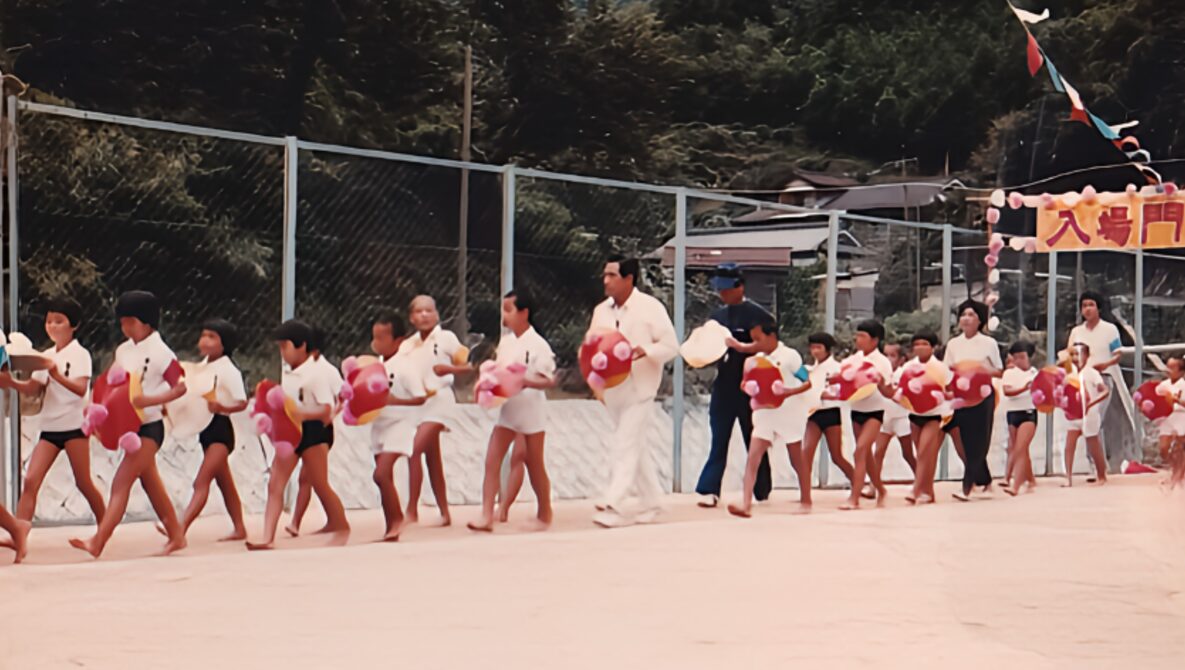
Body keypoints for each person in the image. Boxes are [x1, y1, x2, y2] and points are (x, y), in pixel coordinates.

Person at [69, 291, 188, 558]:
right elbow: (111, 384)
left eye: (130, 322)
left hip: (150, 427)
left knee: (120, 482)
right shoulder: (123, 350)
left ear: (146, 322)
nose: (125, 328)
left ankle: (98, 541)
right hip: (128, 427)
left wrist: (149, 400)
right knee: (151, 483)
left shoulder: (161, 352)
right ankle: (177, 536)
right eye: (122, 322)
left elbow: (180, 387)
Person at [0, 298, 105, 527]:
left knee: (83, 482)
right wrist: (11, 382)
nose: (52, 326)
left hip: (74, 428)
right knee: (30, 481)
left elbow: (79, 389)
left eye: (59, 321)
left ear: (73, 326)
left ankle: (105, 524)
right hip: (49, 429)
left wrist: (55, 374)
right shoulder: (45, 356)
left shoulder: (80, 355)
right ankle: (21, 535)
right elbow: (35, 388)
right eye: (49, 321)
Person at [589, 256, 678, 528]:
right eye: (605, 275)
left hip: (641, 387)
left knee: (625, 444)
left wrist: (646, 351)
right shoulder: (601, 311)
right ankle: (653, 503)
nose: (606, 281)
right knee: (635, 445)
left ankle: (614, 503)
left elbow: (671, 346)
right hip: (614, 389)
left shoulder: (650, 308)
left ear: (629, 279)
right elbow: (592, 346)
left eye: (612, 276)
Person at [247, 319, 349, 550]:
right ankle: (267, 537)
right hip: (291, 431)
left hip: (314, 432)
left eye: (285, 346)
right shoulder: (290, 373)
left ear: (301, 346)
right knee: (275, 483)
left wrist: (299, 414)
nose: (282, 352)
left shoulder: (318, 373)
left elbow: (325, 409)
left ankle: (342, 526)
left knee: (320, 484)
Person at [468, 291, 557, 532]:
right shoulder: (506, 342)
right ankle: (487, 513)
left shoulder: (539, 344)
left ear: (524, 313)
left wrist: (524, 381)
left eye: (509, 310)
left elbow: (549, 380)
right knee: (492, 459)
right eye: (503, 310)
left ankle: (544, 512)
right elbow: (499, 371)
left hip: (531, 409)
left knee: (534, 462)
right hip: (509, 409)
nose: (504, 315)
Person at [694, 263, 774, 508]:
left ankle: (761, 489)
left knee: (754, 437)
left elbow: (768, 345)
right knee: (719, 437)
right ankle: (709, 489)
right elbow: (708, 345)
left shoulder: (758, 315)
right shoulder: (717, 317)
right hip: (724, 385)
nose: (723, 294)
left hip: (752, 387)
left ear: (740, 286)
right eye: (719, 289)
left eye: (727, 288)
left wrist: (742, 347)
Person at [171, 319, 249, 541]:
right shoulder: (203, 365)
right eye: (203, 335)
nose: (204, 340)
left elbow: (241, 402)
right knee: (226, 484)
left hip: (220, 431)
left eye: (212, 337)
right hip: (205, 431)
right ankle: (239, 528)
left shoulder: (228, 369)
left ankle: (180, 528)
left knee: (201, 482)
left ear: (224, 344)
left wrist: (222, 407)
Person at [725, 320, 812, 518]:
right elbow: (745, 382)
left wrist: (789, 392)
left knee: (796, 458)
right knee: (753, 457)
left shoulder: (790, 356)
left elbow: (807, 382)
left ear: (771, 336)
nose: (755, 343)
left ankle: (806, 499)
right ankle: (746, 503)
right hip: (763, 413)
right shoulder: (754, 360)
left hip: (789, 413)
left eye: (758, 338)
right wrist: (749, 388)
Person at [402, 295, 472, 527]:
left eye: (429, 310)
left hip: (440, 401)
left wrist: (449, 368)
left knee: (413, 451)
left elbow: (468, 365)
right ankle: (444, 512)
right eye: (419, 311)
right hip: (417, 404)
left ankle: (411, 510)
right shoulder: (407, 345)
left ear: (437, 314)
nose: (424, 315)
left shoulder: (446, 338)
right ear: (412, 317)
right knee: (433, 458)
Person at [366, 312, 427, 542]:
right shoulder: (377, 365)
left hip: (400, 424)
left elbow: (420, 397)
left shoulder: (405, 367)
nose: (377, 343)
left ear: (398, 341)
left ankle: (398, 520)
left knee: (381, 473)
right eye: (375, 337)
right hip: (379, 424)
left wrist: (395, 401)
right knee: (383, 478)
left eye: (382, 338)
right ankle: (391, 524)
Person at [284, 326, 346, 537]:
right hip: (309, 425)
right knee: (307, 478)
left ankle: (334, 521)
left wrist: (332, 414)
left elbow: (342, 395)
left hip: (319, 427)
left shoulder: (324, 371)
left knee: (314, 479)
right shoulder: (309, 370)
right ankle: (298, 523)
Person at [828, 320, 894, 510]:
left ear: (875, 340)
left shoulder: (882, 363)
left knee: (860, 450)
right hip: (856, 410)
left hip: (875, 411)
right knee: (865, 454)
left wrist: (880, 383)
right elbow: (843, 384)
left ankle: (854, 497)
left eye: (863, 336)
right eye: (857, 335)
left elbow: (888, 393)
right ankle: (880, 489)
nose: (858, 339)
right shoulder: (851, 361)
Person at [1065, 291, 1130, 474]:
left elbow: (1117, 354)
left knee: (1094, 419)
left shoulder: (1109, 329)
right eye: (1084, 305)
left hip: (1103, 378)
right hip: (1082, 381)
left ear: (1098, 307)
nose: (1087, 309)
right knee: (1087, 420)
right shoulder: (1076, 332)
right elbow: (1070, 354)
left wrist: (1105, 364)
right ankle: (1095, 465)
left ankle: (1099, 464)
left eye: (1091, 305)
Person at [944, 299, 1003, 502]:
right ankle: (984, 481)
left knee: (980, 440)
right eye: (963, 315)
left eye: (971, 315)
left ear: (980, 320)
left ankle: (967, 487)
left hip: (983, 395)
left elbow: (999, 370)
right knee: (966, 441)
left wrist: (983, 371)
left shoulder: (989, 343)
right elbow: (948, 370)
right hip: (961, 397)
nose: (966, 319)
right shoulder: (953, 344)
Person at [798, 332, 855, 509]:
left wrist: (827, 394)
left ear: (827, 349)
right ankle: (804, 493)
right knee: (806, 453)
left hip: (831, 413)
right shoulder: (809, 370)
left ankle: (858, 482)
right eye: (813, 347)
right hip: (813, 414)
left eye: (819, 347)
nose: (815, 351)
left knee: (836, 455)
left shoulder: (837, 368)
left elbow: (841, 392)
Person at [902, 332, 951, 505]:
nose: (920, 347)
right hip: (915, 415)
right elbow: (899, 389)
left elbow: (950, 390)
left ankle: (916, 489)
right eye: (917, 344)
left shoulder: (940, 368)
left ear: (933, 347)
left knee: (924, 452)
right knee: (925, 455)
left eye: (924, 343)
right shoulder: (907, 367)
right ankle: (928, 491)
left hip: (935, 415)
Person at [870, 340, 916, 496]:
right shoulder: (881, 372)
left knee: (907, 453)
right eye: (886, 355)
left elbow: (901, 395)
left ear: (901, 359)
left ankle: (921, 481)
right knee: (878, 452)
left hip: (901, 418)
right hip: (885, 417)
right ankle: (873, 486)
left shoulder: (903, 373)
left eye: (893, 355)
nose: (888, 359)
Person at [1062, 342, 1110, 488]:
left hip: (1090, 414)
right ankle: (1068, 477)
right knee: (1069, 446)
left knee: (1093, 445)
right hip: (1074, 415)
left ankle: (1101, 475)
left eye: (1079, 354)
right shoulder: (1069, 374)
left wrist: (1092, 403)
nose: (1076, 358)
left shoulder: (1091, 373)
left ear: (1087, 356)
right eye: (1073, 354)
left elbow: (1105, 390)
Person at [1001, 340, 1039, 496]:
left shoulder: (1035, 373)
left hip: (1028, 412)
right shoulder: (1009, 373)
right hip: (1012, 412)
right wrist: (1024, 388)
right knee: (1021, 449)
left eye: (1022, 357)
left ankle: (1016, 485)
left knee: (1020, 448)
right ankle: (1030, 479)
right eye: (1016, 357)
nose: (1019, 361)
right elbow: (1007, 391)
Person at [1156, 356, 1185, 491]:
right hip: (1166, 419)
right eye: (1168, 367)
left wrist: (1176, 401)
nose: (1169, 370)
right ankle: (1176, 470)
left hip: (1181, 416)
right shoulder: (1163, 385)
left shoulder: (1183, 385)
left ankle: (1177, 477)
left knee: (1179, 449)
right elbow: (1154, 400)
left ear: (1181, 372)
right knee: (1163, 449)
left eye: (1173, 368)